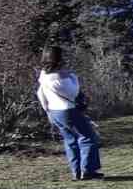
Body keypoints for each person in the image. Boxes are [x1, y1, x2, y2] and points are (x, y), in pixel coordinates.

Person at [37, 46, 103, 181]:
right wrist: (73, 77)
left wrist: (47, 110)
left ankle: (77, 172)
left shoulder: (43, 75)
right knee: (88, 138)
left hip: (54, 111)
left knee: (70, 140)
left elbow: (40, 93)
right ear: (59, 59)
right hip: (67, 110)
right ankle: (88, 171)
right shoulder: (60, 77)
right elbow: (73, 92)